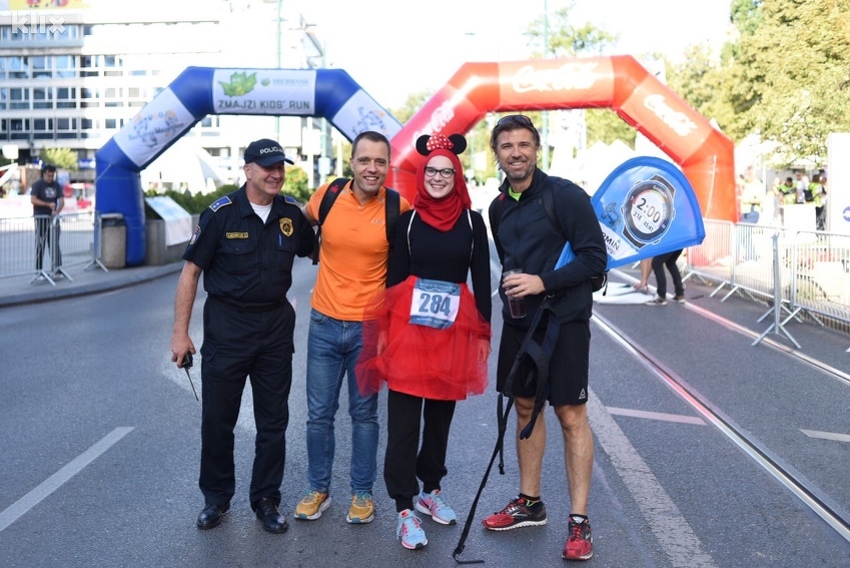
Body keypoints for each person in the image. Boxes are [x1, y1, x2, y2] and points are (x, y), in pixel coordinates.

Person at [169, 138, 314, 534]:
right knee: (218, 420)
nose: (276, 174)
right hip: (228, 328)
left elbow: (321, 252)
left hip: (274, 330)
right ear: (247, 170)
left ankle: (266, 499)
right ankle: (216, 499)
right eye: (267, 167)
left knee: (273, 422)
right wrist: (180, 334)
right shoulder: (221, 214)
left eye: (281, 167)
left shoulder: (291, 215)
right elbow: (190, 274)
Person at [355, 133, 491, 550]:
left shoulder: (472, 221)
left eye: (445, 171)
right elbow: (393, 280)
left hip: (452, 333)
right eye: (431, 170)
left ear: (457, 175)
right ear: (422, 173)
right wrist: (380, 337)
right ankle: (402, 505)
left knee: (440, 420)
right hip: (409, 334)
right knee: (403, 422)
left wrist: (483, 333)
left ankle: (430, 489)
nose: (437, 177)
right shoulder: (409, 221)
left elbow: (482, 281)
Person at [483, 115, 607, 562]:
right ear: (495, 153)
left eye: (523, 144)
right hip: (520, 325)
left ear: (537, 148)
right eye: (506, 146)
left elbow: (595, 260)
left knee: (571, 415)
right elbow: (510, 261)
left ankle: (579, 521)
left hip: (566, 322)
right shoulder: (498, 207)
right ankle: (530, 503)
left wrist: (543, 282)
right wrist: (517, 288)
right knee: (524, 408)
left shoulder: (566, 196)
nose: (515, 152)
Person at [295, 131, 411, 526]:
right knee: (318, 415)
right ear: (352, 162)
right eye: (365, 160)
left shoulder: (399, 207)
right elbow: (291, 226)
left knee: (364, 416)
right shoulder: (327, 196)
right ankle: (318, 489)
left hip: (369, 330)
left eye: (380, 162)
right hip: (324, 322)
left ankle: (362, 493)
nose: (372, 168)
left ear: (388, 166)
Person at [30, 164, 64, 275]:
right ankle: (39, 270)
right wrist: (47, 204)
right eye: (49, 176)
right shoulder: (38, 185)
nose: (50, 178)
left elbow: (62, 201)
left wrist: (57, 211)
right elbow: (33, 200)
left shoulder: (56, 185)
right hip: (41, 218)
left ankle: (57, 268)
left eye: (52, 176)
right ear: (44, 174)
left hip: (53, 218)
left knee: (54, 243)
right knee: (41, 244)